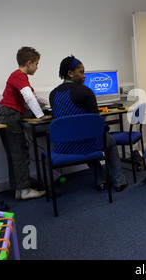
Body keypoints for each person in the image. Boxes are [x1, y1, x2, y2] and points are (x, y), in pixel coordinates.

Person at [49, 55, 128, 192]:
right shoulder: (86, 91)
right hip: (84, 144)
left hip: (63, 147)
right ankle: (119, 181)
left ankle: (101, 179)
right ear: (70, 73)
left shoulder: (53, 94)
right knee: (107, 142)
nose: (84, 76)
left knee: (84, 139)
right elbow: (96, 123)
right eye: (81, 72)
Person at [0, 46, 51, 200]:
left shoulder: (20, 77)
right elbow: (29, 97)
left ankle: (19, 190)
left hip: (5, 115)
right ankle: (25, 190)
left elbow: (35, 96)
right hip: (10, 115)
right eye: (37, 64)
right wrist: (40, 116)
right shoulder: (19, 75)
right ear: (29, 63)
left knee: (15, 153)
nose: (37, 67)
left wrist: (53, 103)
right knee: (20, 152)